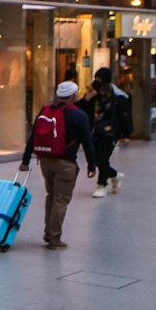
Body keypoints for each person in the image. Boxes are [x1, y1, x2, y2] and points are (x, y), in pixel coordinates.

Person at [19, 80, 97, 249]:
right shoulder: (79, 115)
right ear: (73, 96)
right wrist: (92, 165)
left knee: (51, 196)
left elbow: (33, 138)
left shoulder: (45, 111)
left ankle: (49, 233)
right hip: (66, 164)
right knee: (61, 200)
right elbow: (87, 142)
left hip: (46, 161)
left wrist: (25, 161)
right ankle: (54, 238)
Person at [84, 69, 131, 198]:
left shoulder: (117, 96)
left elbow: (124, 115)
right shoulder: (93, 94)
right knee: (95, 159)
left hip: (110, 132)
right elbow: (84, 109)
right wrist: (87, 98)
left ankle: (101, 185)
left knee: (102, 158)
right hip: (94, 131)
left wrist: (126, 134)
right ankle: (115, 175)